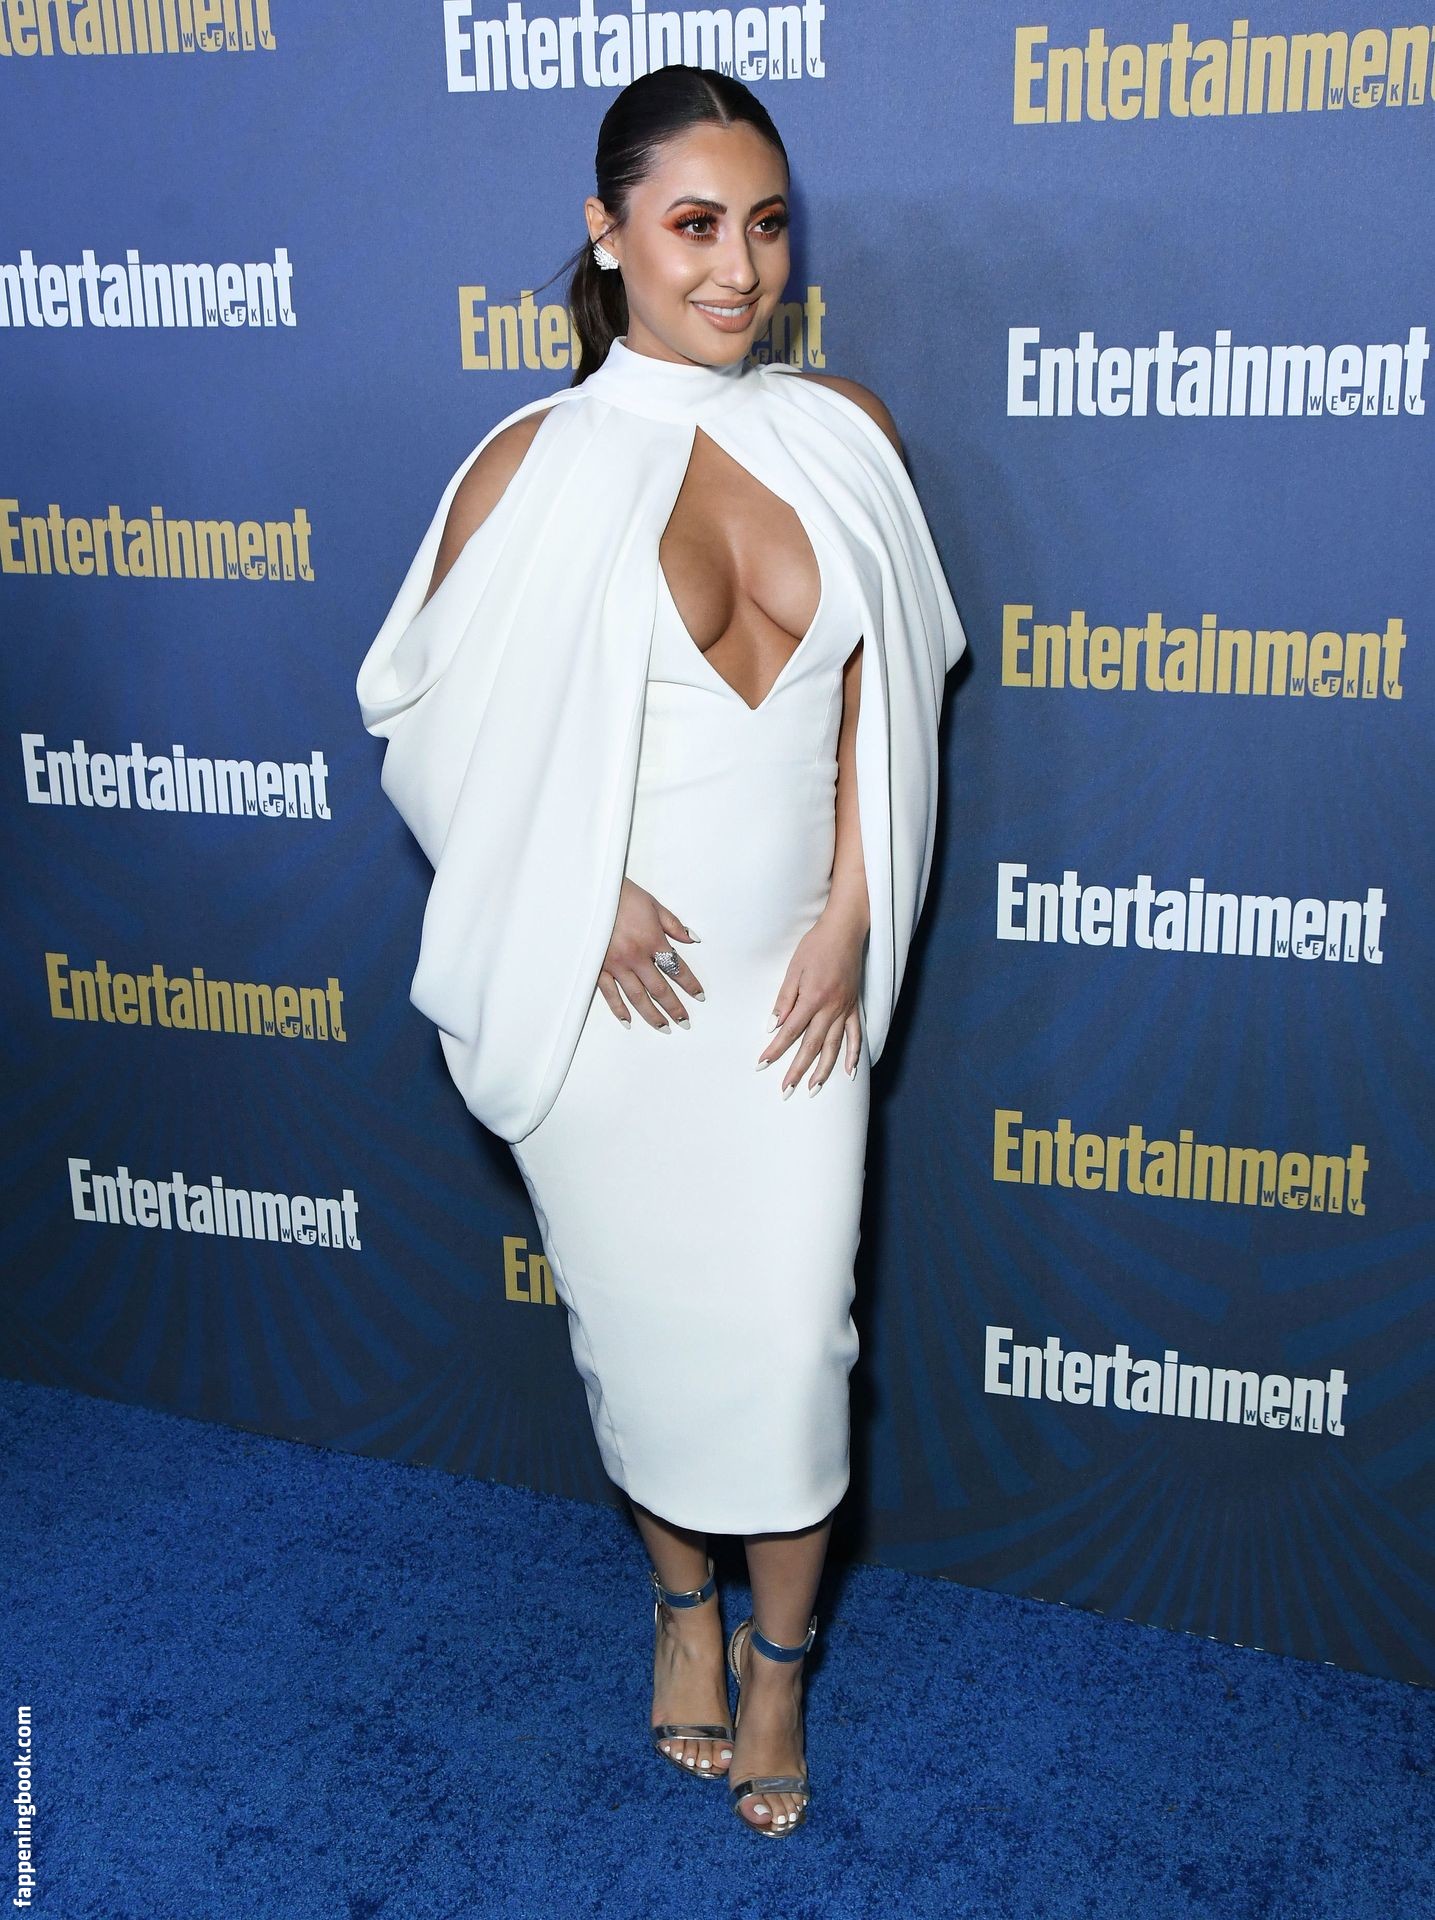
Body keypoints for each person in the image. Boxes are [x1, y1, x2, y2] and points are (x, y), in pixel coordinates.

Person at [355, 65, 966, 1839]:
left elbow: (889, 708)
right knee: (642, 1335)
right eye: (695, 224)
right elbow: (424, 723)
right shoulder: (532, 466)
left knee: (791, 1341)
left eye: (766, 225)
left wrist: (854, 913)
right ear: (607, 231)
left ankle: (780, 1664)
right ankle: (683, 1609)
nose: (738, 268)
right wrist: (579, 885)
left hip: (794, 994)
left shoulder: (844, 434)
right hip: (615, 1005)